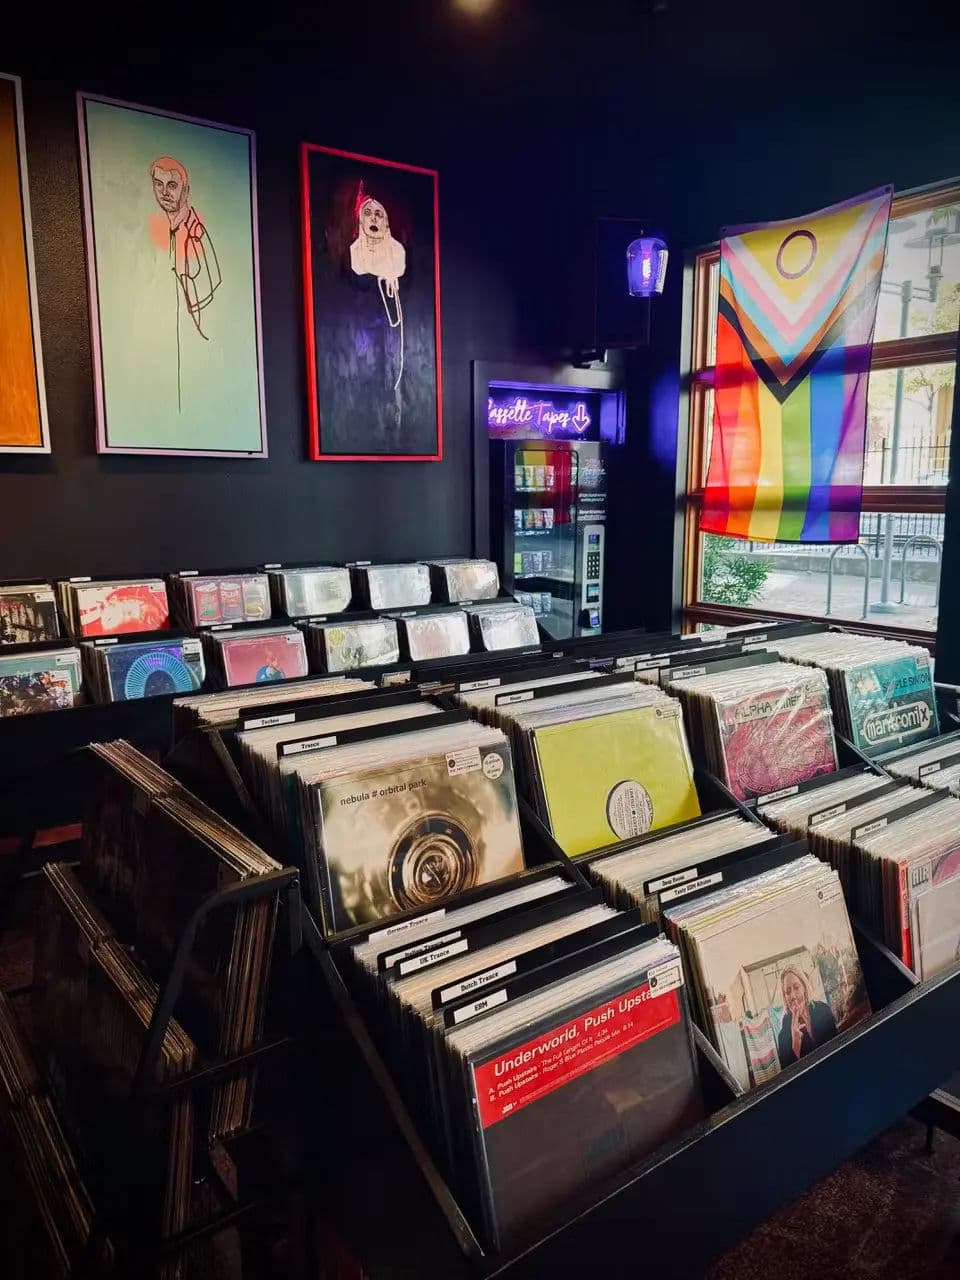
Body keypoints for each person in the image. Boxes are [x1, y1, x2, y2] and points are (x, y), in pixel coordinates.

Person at [149, 155, 221, 338]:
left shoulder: (196, 236)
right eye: (158, 184)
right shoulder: (161, 228)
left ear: (186, 191)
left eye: (172, 186)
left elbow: (206, 307)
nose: (164, 192)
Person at [776, 966, 838, 1067]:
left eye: (796, 987)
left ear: (804, 987)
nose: (792, 996)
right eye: (787, 992)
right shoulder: (783, 1036)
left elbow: (837, 1045)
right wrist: (795, 1044)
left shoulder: (823, 1010)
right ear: (785, 997)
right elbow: (790, 1076)